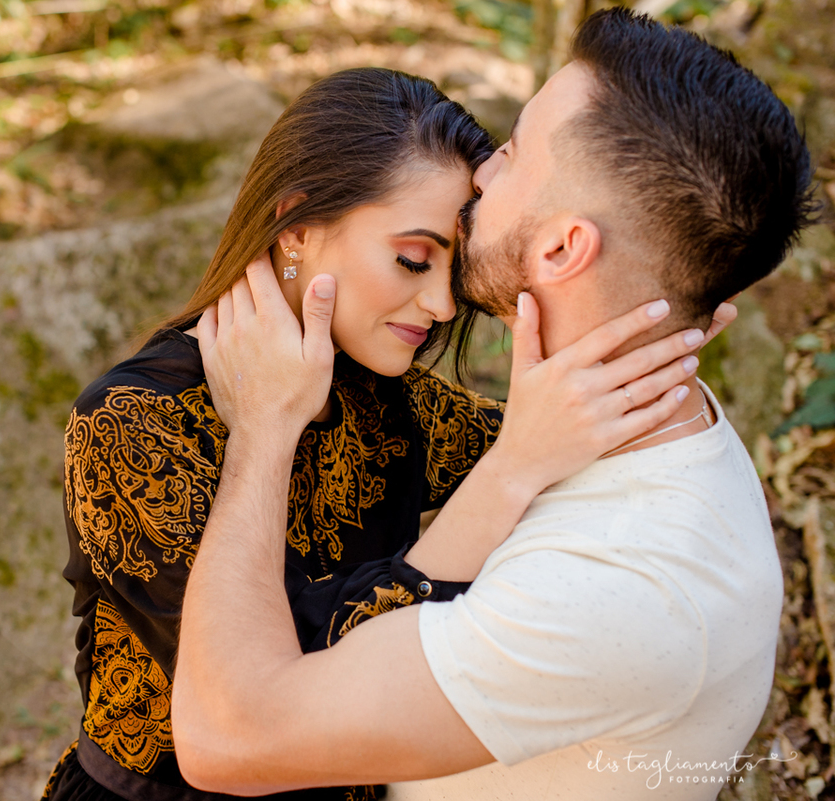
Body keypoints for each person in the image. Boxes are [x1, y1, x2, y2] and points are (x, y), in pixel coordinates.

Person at [172, 9, 816, 800]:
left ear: (560, 249)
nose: (480, 174)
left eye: (510, 156)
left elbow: (226, 739)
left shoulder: (624, 586)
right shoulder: (642, 413)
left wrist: (265, 429)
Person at [44, 63, 723, 801]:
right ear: (297, 226)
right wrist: (268, 434)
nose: (438, 302)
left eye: (451, 267)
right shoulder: (131, 424)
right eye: (411, 258)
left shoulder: (385, 398)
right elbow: (286, 680)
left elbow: (558, 431)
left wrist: (654, 319)